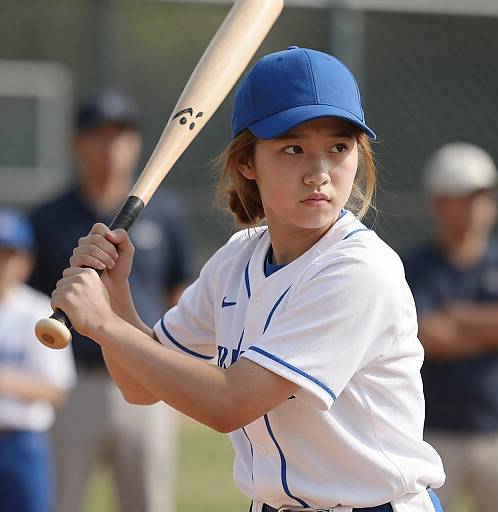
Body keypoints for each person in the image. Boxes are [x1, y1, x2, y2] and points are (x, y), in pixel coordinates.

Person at [50, 47, 445, 511]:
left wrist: (104, 325)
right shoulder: (239, 257)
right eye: (293, 148)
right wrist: (118, 300)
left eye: (339, 147)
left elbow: (229, 403)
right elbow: (141, 386)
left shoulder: (359, 269)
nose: (320, 173)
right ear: (247, 164)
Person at [29, 89, 191, 512]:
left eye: (121, 134)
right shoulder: (48, 218)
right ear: (77, 143)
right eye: (99, 134)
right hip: (72, 383)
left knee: (148, 503)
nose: (111, 146)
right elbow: (30, 301)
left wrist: (177, 373)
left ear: (135, 143)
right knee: (58, 501)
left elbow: (178, 292)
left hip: (146, 378)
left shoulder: (166, 214)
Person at [404, 143, 498, 512]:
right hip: (432, 433)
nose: (476, 208)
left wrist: (460, 315)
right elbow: (427, 337)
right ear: (438, 202)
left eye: (483, 197)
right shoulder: (415, 267)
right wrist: (493, 328)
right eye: (464, 198)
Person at [0, 208, 75, 512]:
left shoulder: (37, 311)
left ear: (26, 261)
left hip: (20, 440)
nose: (2, 263)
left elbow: (57, 388)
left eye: (9, 254)